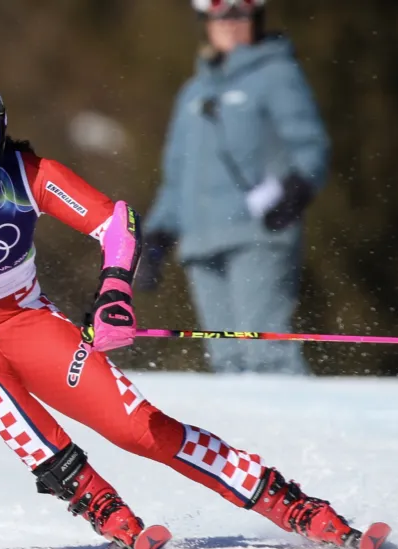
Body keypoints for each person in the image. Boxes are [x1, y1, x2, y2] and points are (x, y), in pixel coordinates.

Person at [0, 67, 373, 549]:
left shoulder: (24, 176)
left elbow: (115, 222)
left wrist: (114, 292)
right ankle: (99, 504)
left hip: (29, 324)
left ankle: (291, 505)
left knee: (140, 429)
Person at [137, 0, 330, 376]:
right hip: (200, 241)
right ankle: (247, 437)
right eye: (218, 15)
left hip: (256, 235)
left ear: (255, 18)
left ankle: (300, 430)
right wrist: (157, 236)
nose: (228, 23)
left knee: (264, 350)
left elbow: (310, 148)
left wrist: (294, 191)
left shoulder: (277, 75)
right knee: (226, 360)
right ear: (205, 22)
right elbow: (177, 177)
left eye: (238, 14)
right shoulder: (192, 93)